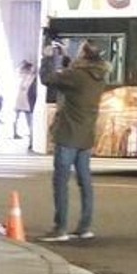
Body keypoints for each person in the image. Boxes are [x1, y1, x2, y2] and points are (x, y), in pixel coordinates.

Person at [38, 40, 108, 242]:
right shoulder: (98, 76)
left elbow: (48, 79)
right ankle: (84, 227)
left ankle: (60, 228)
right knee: (85, 181)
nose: (76, 53)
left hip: (68, 135)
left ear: (84, 55)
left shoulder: (76, 76)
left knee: (61, 181)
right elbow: (68, 78)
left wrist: (48, 57)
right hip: (85, 136)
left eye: (79, 50)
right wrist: (66, 58)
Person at [13, 59, 38, 141]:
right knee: (29, 121)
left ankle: (15, 133)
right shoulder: (31, 78)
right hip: (27, 102)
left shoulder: (21, 77)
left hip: (20, 101)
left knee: (17, 118)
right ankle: (31, 138)